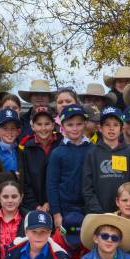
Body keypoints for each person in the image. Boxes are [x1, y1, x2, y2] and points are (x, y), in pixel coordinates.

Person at [47, 104, 93, 243]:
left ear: (85, 124)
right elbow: (52, 185)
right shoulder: (57, 153)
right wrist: (56, 214)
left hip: (88, 208)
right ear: (63, 125)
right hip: (65, 209)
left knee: (87, 243)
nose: (75, 128)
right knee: (65, 244)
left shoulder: (93, 149)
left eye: (79, 124)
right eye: (70, 124)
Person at [82, 106, 130, 213]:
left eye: (116, 125)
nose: (111, 128)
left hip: (123, 213)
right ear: (100, 128)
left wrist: (124, 209)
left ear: (122, 129)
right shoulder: (92, 153)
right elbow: (87, 188)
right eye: (107, 125)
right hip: (97, 212)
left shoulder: (129, 153)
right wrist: (97, 210)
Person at [19, 108, 57, 211]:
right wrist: (35, 206)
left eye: (47, 124)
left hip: (58, 205)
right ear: (33, 126)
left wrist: (51, 202)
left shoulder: (61, 144)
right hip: (34, 207)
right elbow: (26, 182)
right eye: (39, 124)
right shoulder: (26, 149)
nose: (43, 128)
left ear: (53, 125)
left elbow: (64, 179)